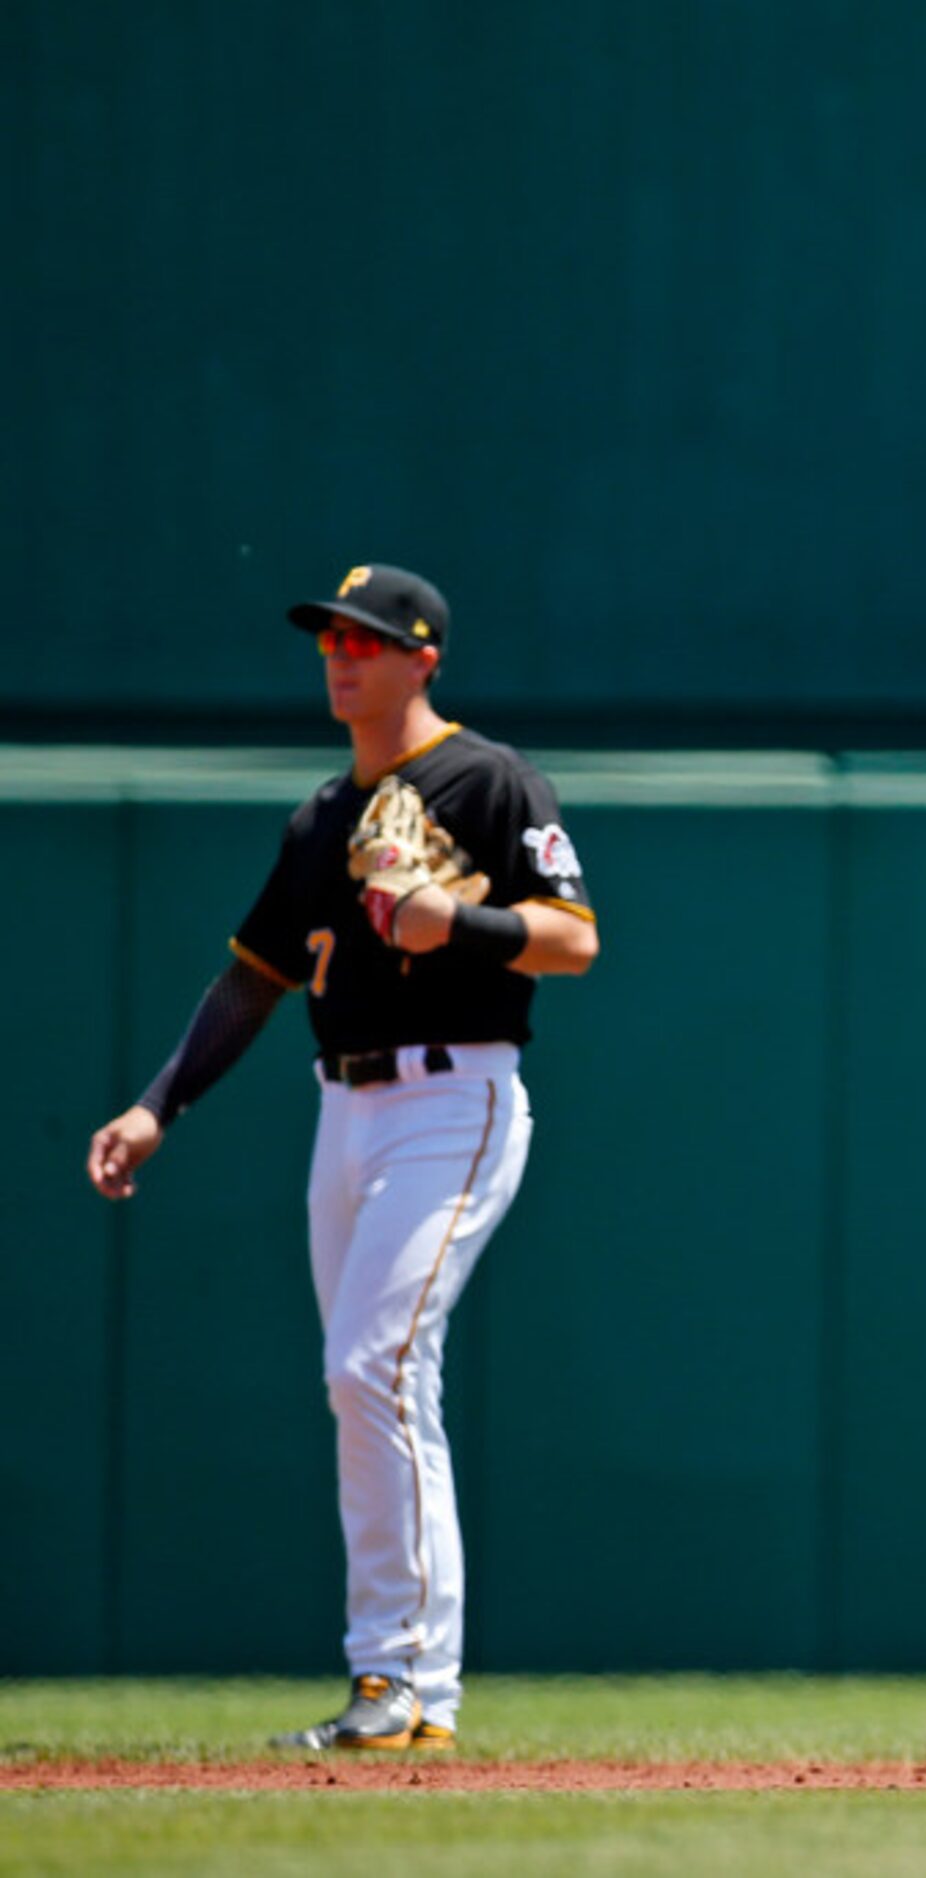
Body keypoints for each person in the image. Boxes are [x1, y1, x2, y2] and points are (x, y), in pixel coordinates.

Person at [86, 564, 598, 1752]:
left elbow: (575, 938)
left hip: (454, 1095)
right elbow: (255, 976)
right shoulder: (321, 819)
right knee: (362, 1378)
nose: (340, 655)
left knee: (373, 1363)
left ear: (424, 657)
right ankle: (403, 1684)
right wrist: (162, 1104)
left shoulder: (489, 777)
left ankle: (404, 1682)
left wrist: (457, 924)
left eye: (367, 639)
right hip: (346, 1109)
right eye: (329, 637)